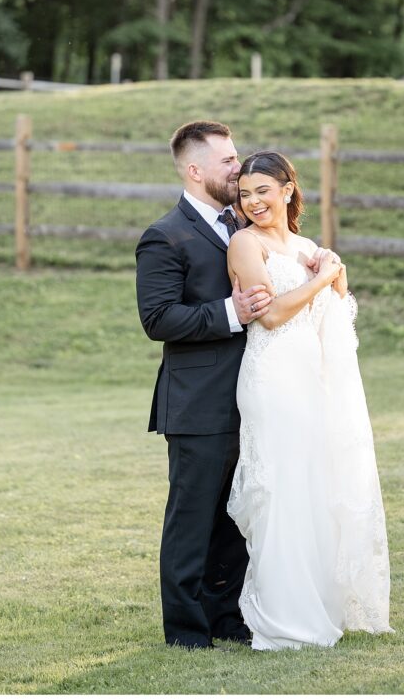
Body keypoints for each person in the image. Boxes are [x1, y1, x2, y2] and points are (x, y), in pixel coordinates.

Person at [226, 150, 393, 650]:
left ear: (287, 189)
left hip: (310, 377)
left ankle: (320, 602)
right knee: (280, 489)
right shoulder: (244, 243)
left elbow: (335, 312)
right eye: (245, 193)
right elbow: (270, 315)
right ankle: (282, 616)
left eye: (262, 190)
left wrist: (336, 278)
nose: (253, 201)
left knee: (313, 487)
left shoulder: (307, 247)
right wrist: (321, 278)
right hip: (271, 377)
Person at [135, 120, 278, 649]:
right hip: (197, 405)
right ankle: (187, 632)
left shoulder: (241, 224)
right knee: (191, 521)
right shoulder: (164, 235)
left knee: (235, 518)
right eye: (227, 161)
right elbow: (157, 318)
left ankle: (228, 620)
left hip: (253, 397)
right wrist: (229, 312)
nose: (238, 168)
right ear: (195, 170)